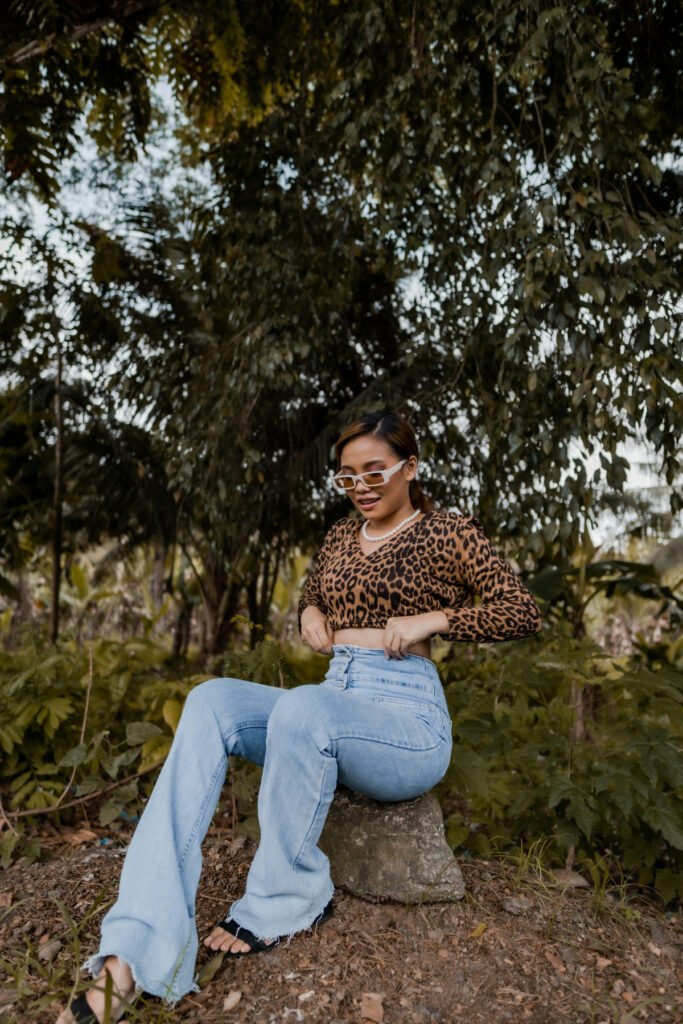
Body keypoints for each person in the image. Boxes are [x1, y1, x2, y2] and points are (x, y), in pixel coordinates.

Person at [57, 409, 543, 1024]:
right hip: (331, 697)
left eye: (375, 471)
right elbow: (314, 593)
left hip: (407, 720)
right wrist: (310, 613)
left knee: (303, 707)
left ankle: (284, 898)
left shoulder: (449, 531)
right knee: (210, 699)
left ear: (410, 468)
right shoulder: (342, 535)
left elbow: (521, 609)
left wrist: (438, 619)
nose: (361, 486)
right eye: (348, 476)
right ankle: (134, 951)